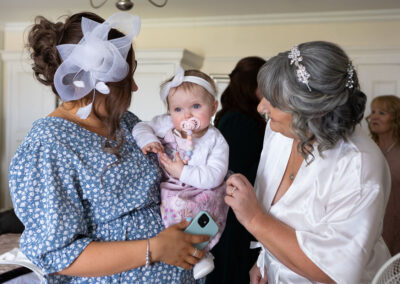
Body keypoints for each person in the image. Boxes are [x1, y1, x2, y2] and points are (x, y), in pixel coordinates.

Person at [8, 12, 210, 283]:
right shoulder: (48, 145)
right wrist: (156, 249)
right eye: (129, 76)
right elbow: (54, 254)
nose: (135, 86)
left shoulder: (124, 122)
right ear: (100, 82)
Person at [224, 41, 391, 283]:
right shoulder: (279, 132)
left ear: (314, 111)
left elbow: (338, 271)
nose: (261, 107)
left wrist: (254, 219)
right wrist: (263, 261)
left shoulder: (359, 164)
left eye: (274, 101)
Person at [131, 67, 229, 279]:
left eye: (195, 106)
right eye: (177, 109)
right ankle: (187, 249)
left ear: (213, 107)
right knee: (173, 206)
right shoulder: (165, 124)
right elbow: (140, 127)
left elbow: (215, 175)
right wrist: (149, 140)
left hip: (203, 187)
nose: (187, 115)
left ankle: (201, 251)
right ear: (169, 111)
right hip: (171, 187)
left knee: (204, 210)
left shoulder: (216, 140)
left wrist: (183, 172)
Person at [207, 56, 266, 284]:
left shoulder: (238, 118)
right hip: (234, 221)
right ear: (252, 86)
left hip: (238, 217)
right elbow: (234, 175)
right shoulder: (240, 122)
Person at [367, 95, 400, 255]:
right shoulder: (367, 150)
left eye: (382, 112)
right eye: (373, 111)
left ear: (396, 117)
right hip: (371, 224)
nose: (374, 116)